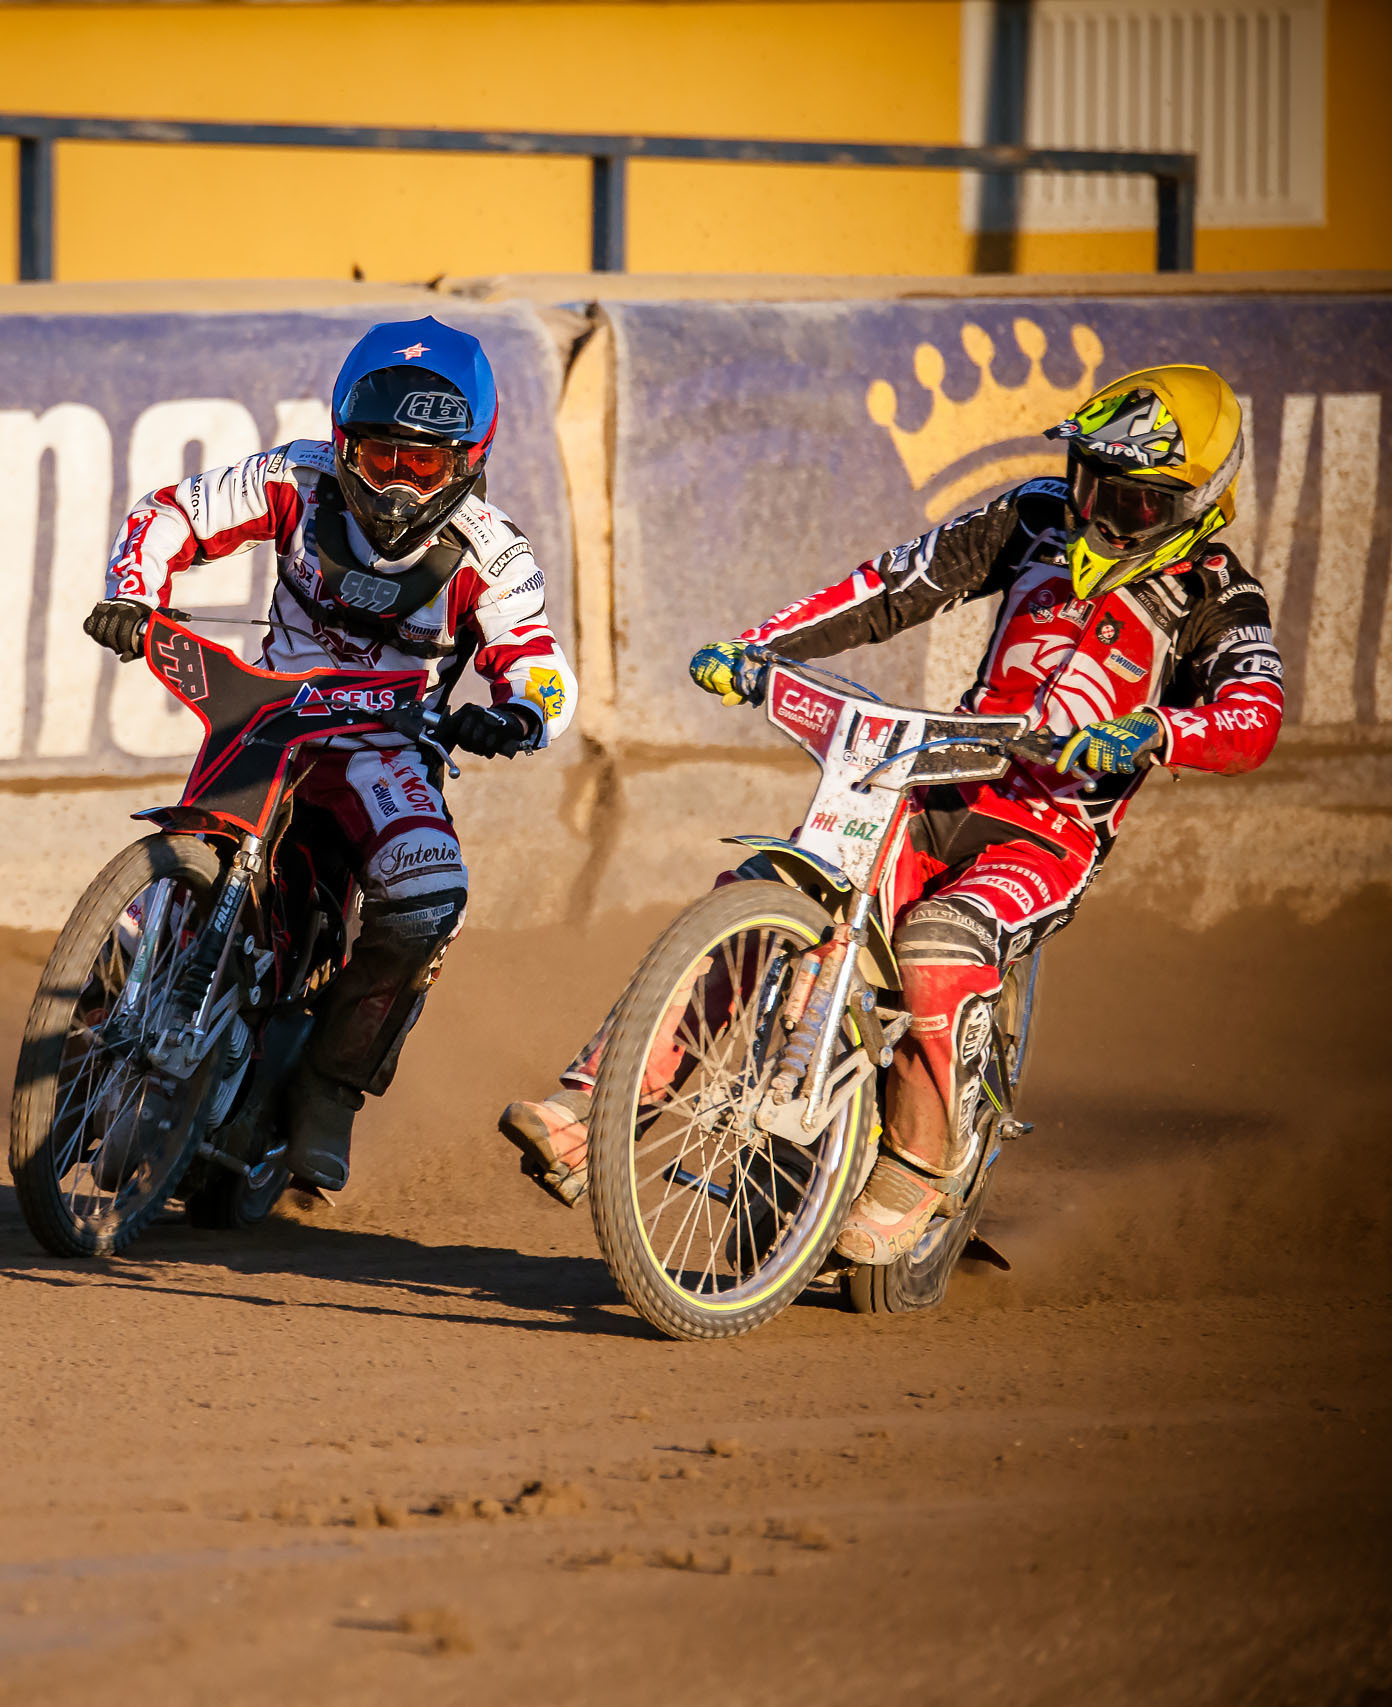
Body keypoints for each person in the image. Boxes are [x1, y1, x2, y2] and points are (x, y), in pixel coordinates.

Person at [500, 363, 1282, 1263]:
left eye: (1134, 501)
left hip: (1050, 832)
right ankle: (596, 1107)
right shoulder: (1033, 515)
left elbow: (1253, 716)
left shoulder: (1219, 595)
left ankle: (919, 1167)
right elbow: (894, 585)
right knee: (767, 890)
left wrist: (1153, 731)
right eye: (1091, 482)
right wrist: (762, 647)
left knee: (938, 945)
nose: (1100, 513)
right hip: (939, 778)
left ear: (1197, 504)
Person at [87, 317, 578, 1194]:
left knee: (431, 898)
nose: (394, 482)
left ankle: (330, 1085)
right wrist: (133, 594)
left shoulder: (492, 552)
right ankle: (86, 1047)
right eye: (379, 455)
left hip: (386, 747)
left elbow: (541, 663)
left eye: (421, 462)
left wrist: (517, 714)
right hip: (263, 716)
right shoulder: (295, 476)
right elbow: (170, 513)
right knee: (143, 908)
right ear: (343, 441)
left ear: (467, 460)